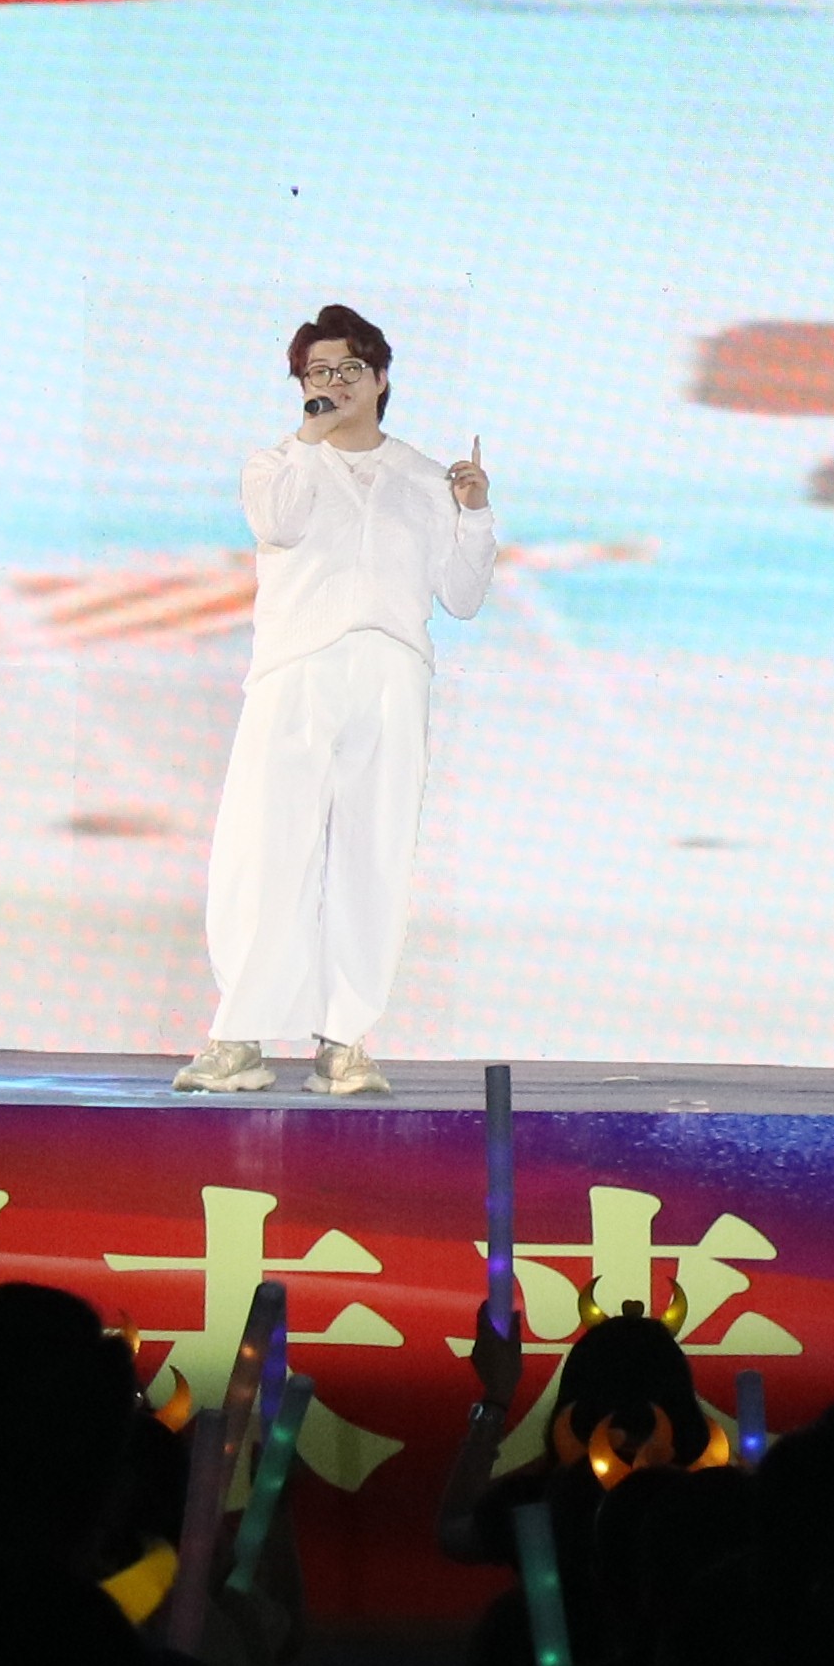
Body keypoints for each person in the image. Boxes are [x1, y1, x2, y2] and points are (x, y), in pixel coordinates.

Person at [180, 305, 493, 1100]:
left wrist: (475, 513)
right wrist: (308, 440)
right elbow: (278, 523)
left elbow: (462, 596)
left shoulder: (424, 477)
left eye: (350, 369)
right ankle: (238, 1036)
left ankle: (345, 1040)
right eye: (317, 372)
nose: (335, 383)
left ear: (380, 378)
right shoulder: (276, 464)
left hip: (392, 669)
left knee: (374, 851)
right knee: (263, 845)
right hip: (296, 669)